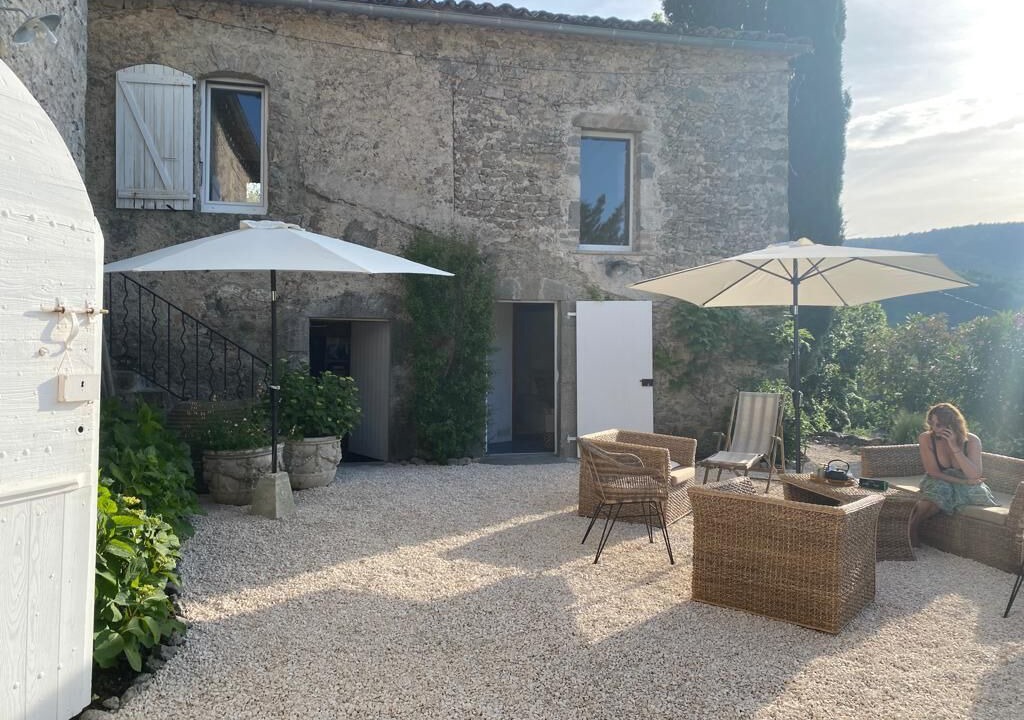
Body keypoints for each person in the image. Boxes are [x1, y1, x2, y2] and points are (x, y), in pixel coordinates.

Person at [910, 402, 999, 546]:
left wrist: (954, 447)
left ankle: (912, 519)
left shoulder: (972, 441)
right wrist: (963, 482)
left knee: (976, 495)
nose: (934, 428)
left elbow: (974, 475)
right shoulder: (926, 438)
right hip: (939, 478)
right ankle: (912, 527)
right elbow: (933, 471)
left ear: (952, 424)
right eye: (931, 423)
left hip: (966, 481)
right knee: (941, 490)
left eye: (939, 424)